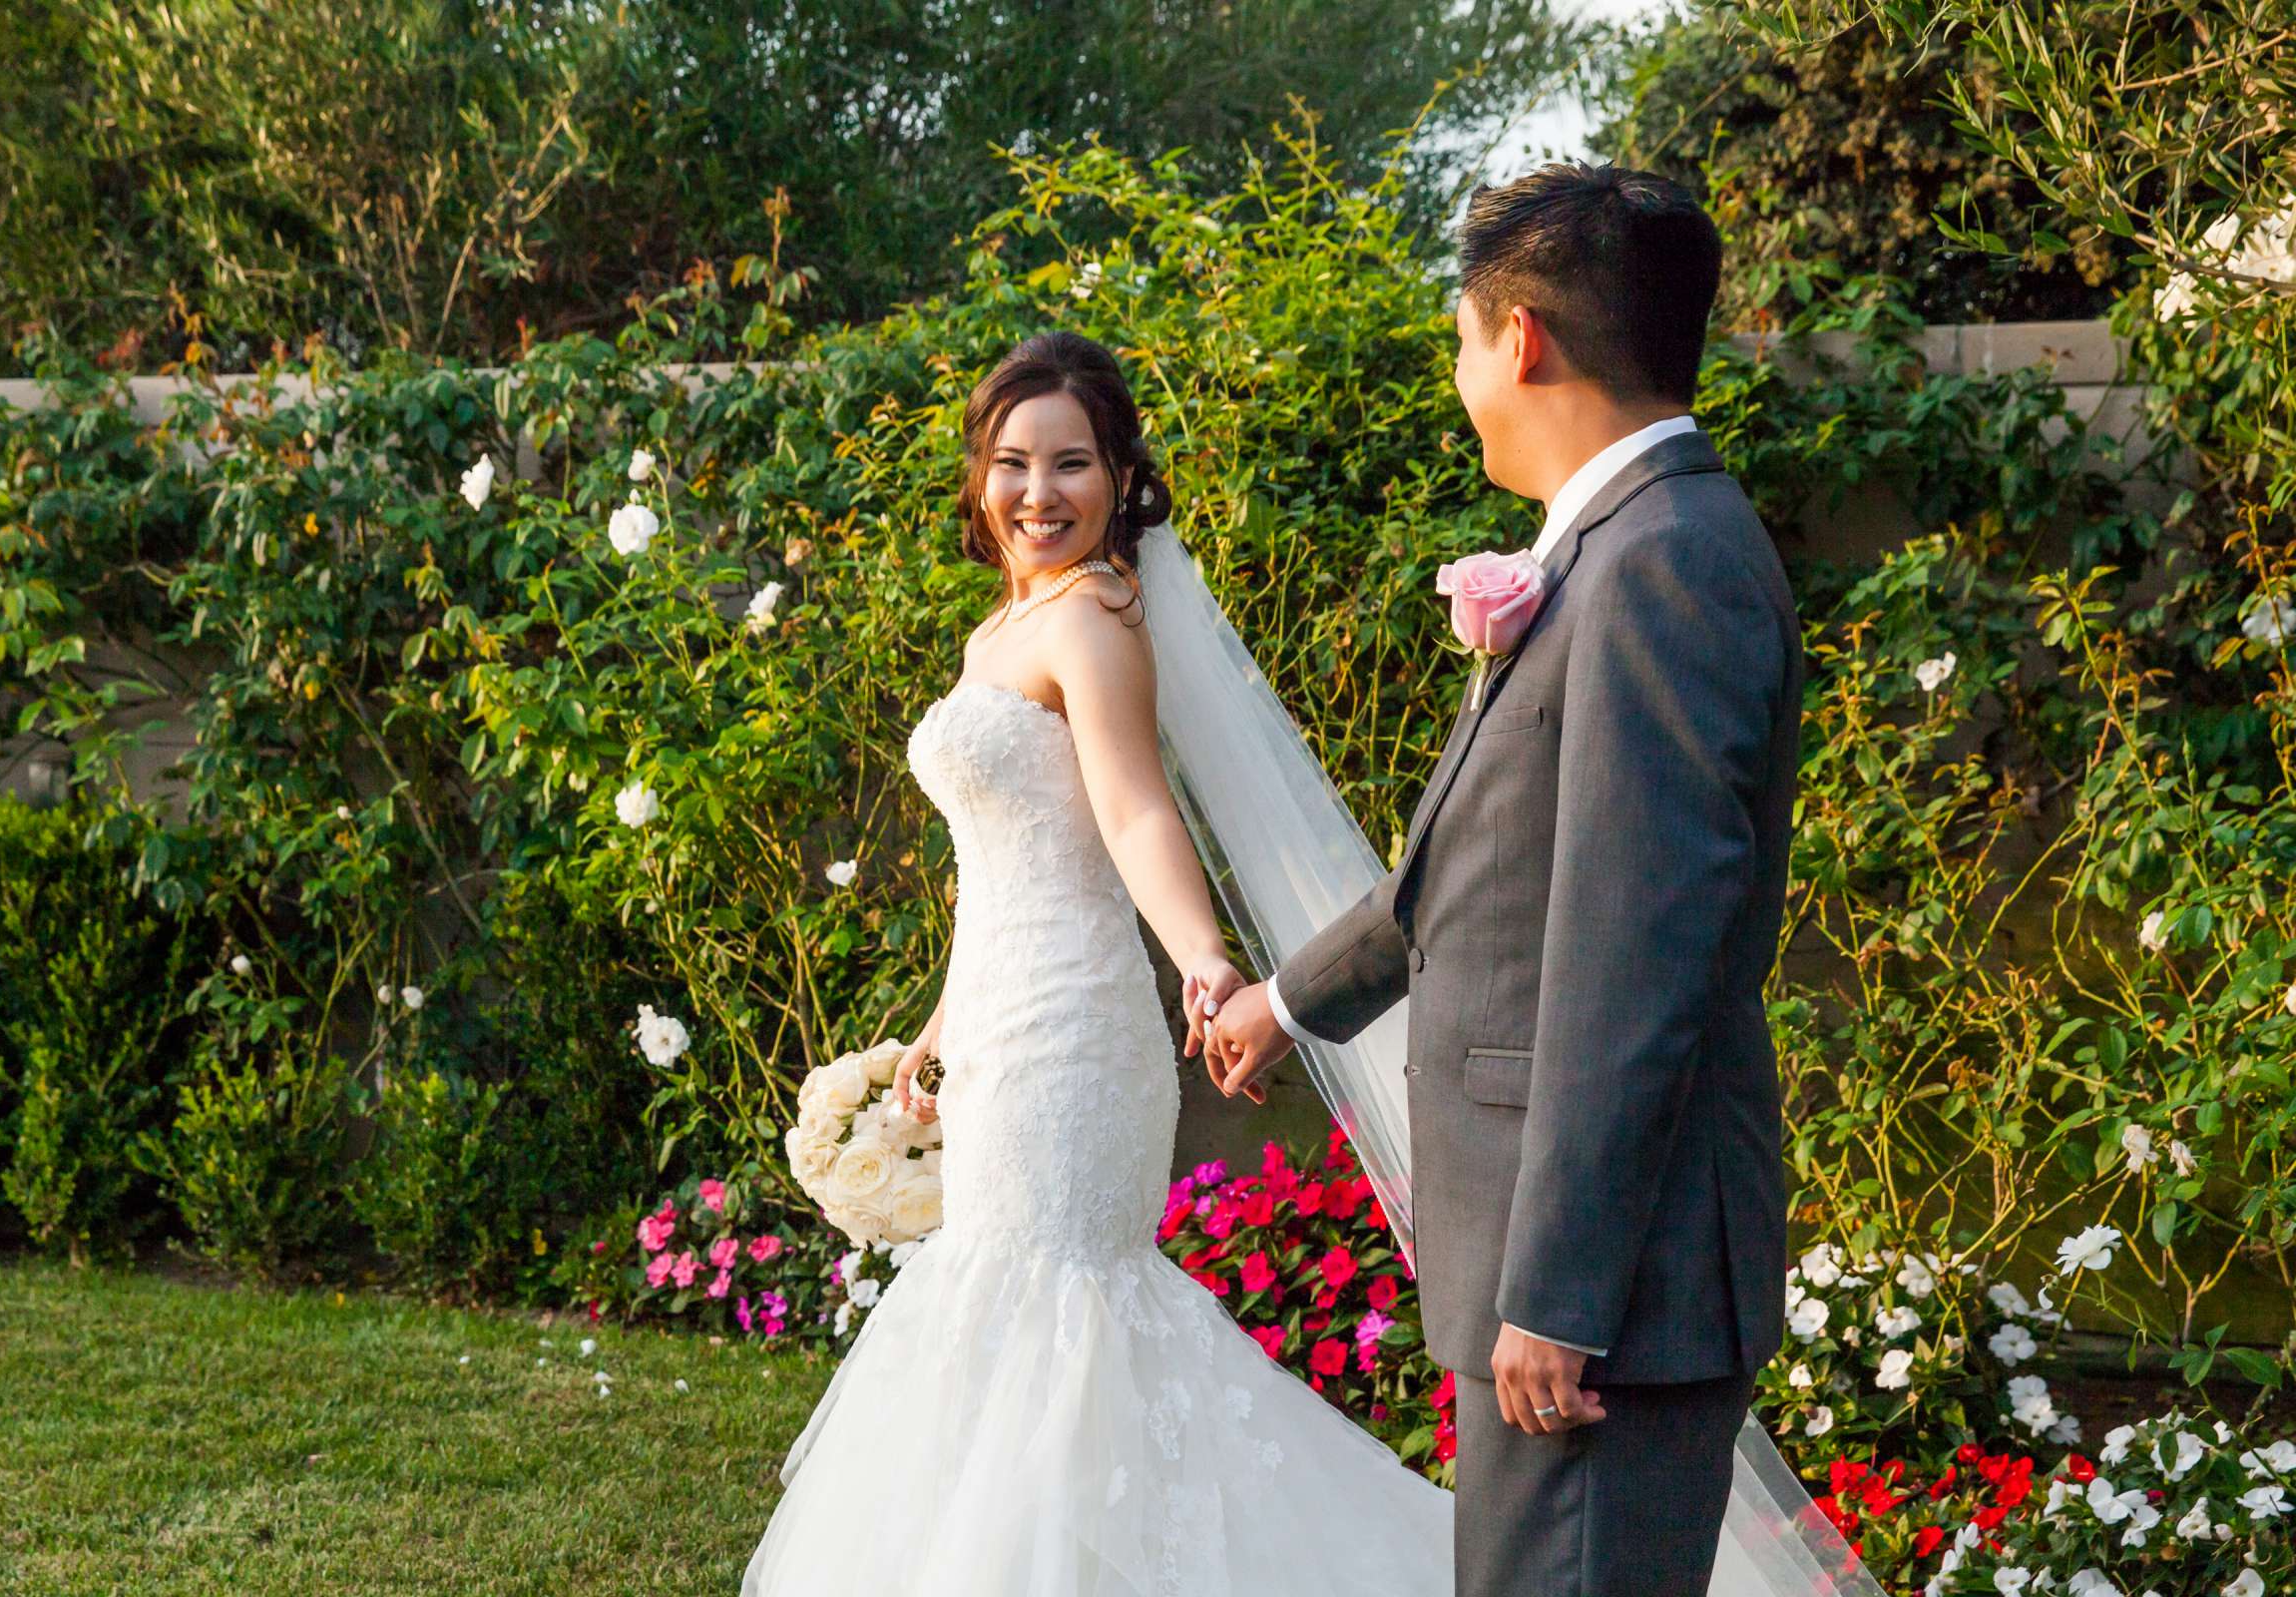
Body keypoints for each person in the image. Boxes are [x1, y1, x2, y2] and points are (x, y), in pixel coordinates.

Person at [739, 329, 1455, 1597]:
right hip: (1007, 1028)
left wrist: (1204, 961)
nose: (1039, 491)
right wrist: (941, 1028)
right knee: (1009, 1322)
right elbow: (1007, 864)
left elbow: (1132, 815)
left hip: (1077, 1043)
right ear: (978, 478)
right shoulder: (1007, 625)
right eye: (1013, 462)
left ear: (1120, 477)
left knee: (1054, 1312)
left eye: (1071, 462)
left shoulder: (1097, 617)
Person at [1201, 162, 1803, 1597]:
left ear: (1520, 338)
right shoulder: (1620, 546)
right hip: (1577, 1281)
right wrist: (1291, 1001)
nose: (1462, 371)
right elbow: (1471, 873)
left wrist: (1560, 1294)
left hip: (1599, 1299)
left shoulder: (1663, 565)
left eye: (1462, 337)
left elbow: (1634, 960)